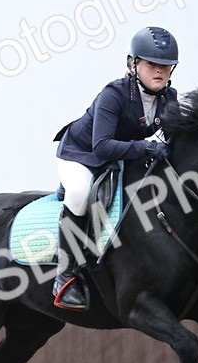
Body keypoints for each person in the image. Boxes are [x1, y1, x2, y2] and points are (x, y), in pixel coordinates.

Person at [51, 26, 180, 311]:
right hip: (82, 154)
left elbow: (175, 140)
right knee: (80, 194)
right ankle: (64, 277)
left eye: (166, 66)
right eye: (152, 64)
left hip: (119, 156)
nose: (160, 71)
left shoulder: (168, 99)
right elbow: (102, 146)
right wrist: (146, 148)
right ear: (133, 64)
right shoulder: (115, 94)